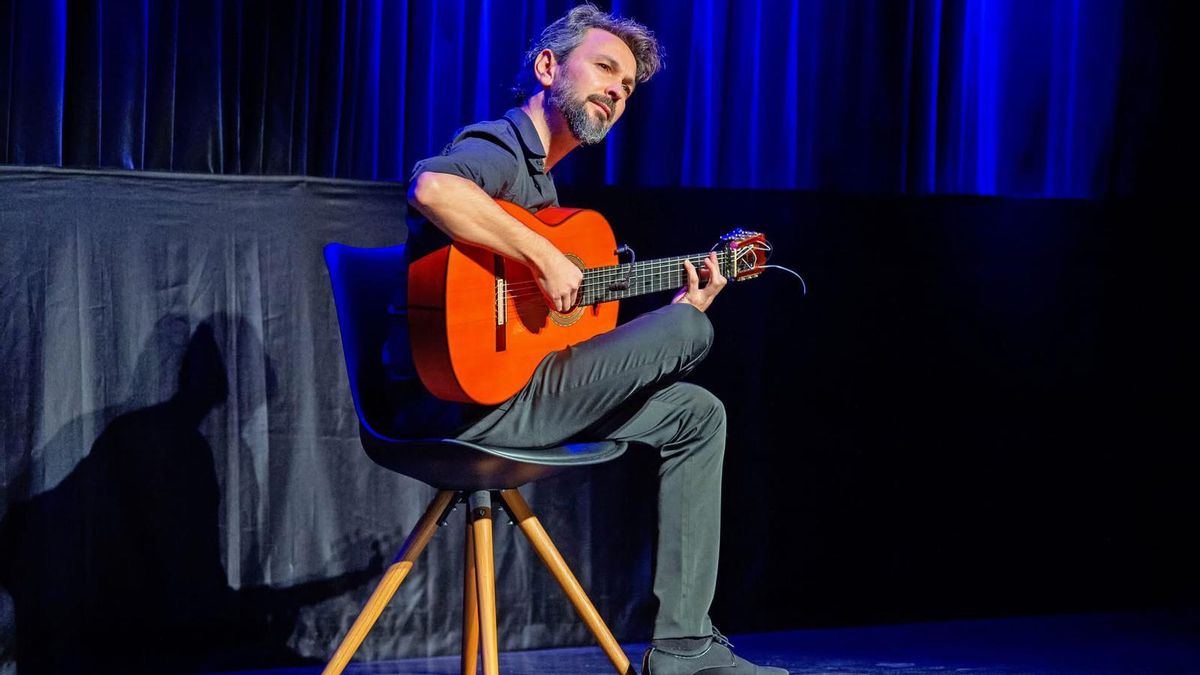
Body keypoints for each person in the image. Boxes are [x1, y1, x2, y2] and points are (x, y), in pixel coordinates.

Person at [389, 5, 788, 674]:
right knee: (689, 329)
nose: (617, 91)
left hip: (522, 391)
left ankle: (684, 647)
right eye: (604, 68)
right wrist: (543, 256)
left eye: (627, 86)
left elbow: (556, 335)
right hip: (468, 409)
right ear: (548, 67)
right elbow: (432, 188)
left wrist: (665, 308)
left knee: (697, 413)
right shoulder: (502, 146)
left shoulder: (546, 190)